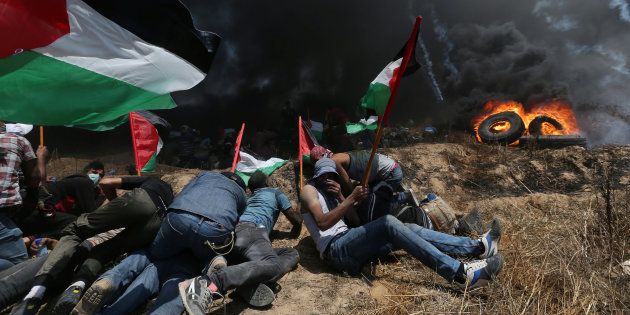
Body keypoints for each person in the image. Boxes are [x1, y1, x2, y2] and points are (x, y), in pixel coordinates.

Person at [299, 158, 504, 289]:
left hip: (350, 245)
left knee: (410, 228)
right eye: (323, 177)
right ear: (316, 177)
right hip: (337, 252)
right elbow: (323, 223)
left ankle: (478, 247)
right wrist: (351, 198)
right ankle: (461, 275)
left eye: (332, 175)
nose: (328, 180)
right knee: (388, 221)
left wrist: (342, 197)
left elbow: (354, 221)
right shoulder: (309, 191)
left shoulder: (334, 194)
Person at [72, 171, 247, 315]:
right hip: (204, 244)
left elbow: (182, 196)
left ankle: (111, 280)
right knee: (180, 287)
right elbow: (236, 223)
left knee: (147, 257)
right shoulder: (241, 195)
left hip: (177, 223)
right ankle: (212, 265)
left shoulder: (205, 176)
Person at [11, 176, 174, 315]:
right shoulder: (173, 199)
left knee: (75, 230)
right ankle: (78, 285)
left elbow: (106, 182)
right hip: (159, 221)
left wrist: (114, 203)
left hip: (140, 201)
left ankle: (35, 293)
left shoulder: (152, 180)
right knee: (104, 252)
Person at [178, 170, 303, 314]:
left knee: (290, 252)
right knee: (274, 264)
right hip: (253, 231)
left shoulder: (248, 198)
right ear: (268, 182)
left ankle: (243, 278)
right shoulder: (274, 192)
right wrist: (301, 209)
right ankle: (208, 284)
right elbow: (296, 221)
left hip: (231, 236)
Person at [18, 160, 106, 238]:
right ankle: (34, 238)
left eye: (101, 175)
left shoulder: (73, 181)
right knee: (76, 224)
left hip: (30, 214)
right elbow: (89, 214)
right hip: (37, 213)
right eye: (94, 172)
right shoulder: (84, 182)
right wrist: (102, 198)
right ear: (86, 172)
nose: (97, 176)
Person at [0, 121, 41, 271]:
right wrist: (41, 158)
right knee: (19, 266)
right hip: (2, 213)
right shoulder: (19, 141)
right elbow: (35, 178)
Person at [309, 146, 403, 194]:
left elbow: (346, 181)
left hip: (391, 173)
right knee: (370, 192)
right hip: (386, 170)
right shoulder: (337, 156)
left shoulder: (335, 161)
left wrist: (352, 197)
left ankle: (405, 196)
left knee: (376, 200)